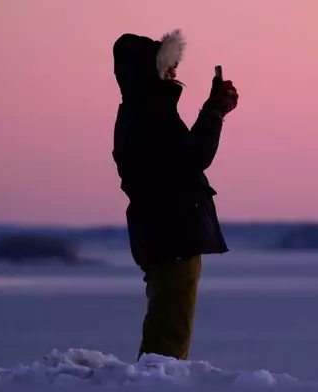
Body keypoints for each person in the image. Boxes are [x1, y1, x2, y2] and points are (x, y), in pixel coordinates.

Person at [111, 29, 238, 361]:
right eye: (166, 66)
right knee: (170, 336)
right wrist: (214, 111)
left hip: (161, 235)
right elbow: (194, 157)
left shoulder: (140, 112)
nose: (174, 73)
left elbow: (182, 156)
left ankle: (148, 381)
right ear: (148, 71)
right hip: (173, 236)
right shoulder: (152, 114)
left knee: (163, 328)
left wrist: (213, 110)